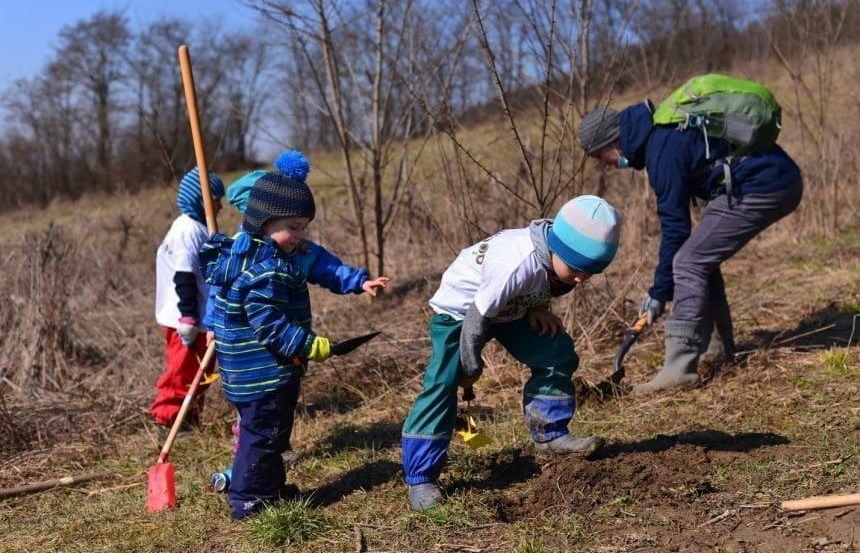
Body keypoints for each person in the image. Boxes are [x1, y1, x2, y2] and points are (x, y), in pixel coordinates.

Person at [199, 150, 389, 520]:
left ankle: (268, 488)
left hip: (252, 371)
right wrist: (308, 344)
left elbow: (323, 268)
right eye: (295, 227)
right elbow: (268, 323)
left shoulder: (249, 255)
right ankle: (250, 500)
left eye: (303, 227)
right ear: (266, 221)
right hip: (262, 372)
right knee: (263, 436)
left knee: (268, 435)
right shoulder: (266, 269)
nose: (300, 236)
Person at [400, 195, 622, 511]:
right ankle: (421, 478)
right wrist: (470, 366)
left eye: (590, 273)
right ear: (557, 247)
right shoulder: (515, 262)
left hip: (508, 310)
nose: (580, 279)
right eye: (576, 270)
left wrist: (538, 306)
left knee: (556, 350)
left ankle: (550, 435)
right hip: (461, 313)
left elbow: (539, 282)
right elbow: (477, 317)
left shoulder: (557, 257)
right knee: (442, 385)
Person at [578, 93, 803, 394]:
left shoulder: (662, 151)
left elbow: (675, 230)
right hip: (771, 178)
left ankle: (679, 367)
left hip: (766, 186)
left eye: (599, 157)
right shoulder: (662, 137)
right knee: (699, 257)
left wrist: (659, 293)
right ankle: (716, 349)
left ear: (612, 143)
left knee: (689, 261)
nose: (606, 165)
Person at [150, 167, 225, 437]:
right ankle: (168, 421)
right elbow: (184, 276)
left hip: (201, 316)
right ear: (201, 200)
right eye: (216, 199)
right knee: (182, 371)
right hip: (186, 318)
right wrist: (188, 318)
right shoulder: (187, 231)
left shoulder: (198, 227)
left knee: (200, 370)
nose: (220, 206)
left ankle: (189, 418)